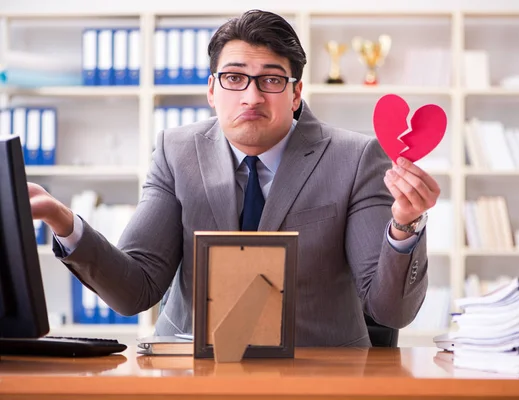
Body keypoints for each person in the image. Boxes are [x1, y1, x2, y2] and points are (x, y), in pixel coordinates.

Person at [28, 9, 440, 346]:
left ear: (296, 94)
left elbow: (390, 312)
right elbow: (135, 290)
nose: (252, 96)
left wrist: (405, 226)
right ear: (212, 89)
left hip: (318, 374)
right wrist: (64, 222)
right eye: (234, 77)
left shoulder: (355, 157)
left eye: (272, 80)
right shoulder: (176, 151)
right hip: (192, 373)